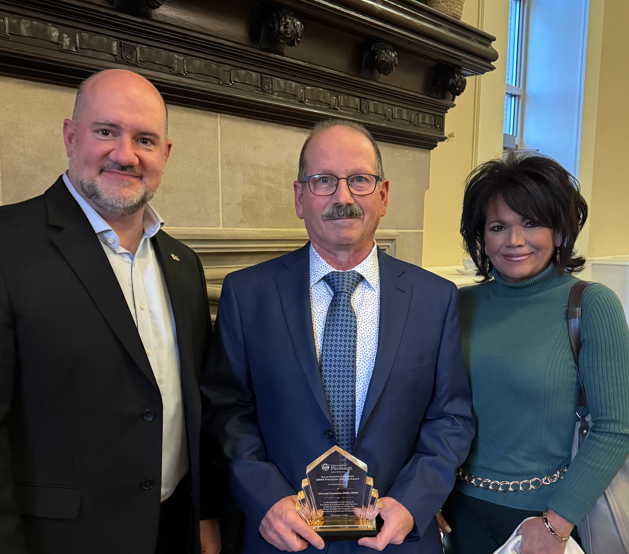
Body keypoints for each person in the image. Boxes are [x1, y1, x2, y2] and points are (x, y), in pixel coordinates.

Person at [203, 119, 475, 553]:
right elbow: (226, 412)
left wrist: (411, 502)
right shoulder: (247, 294)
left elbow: (451, 418)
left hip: (396, 537)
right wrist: (267, 499)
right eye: (323, 181)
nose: (343, 197)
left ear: (383, 195)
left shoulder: (434, 299)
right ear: (299, 197)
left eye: (359, 180)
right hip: (286, 538)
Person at [0, 69, 221, 554]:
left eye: (145, 139)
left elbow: (196, 407)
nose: (126, 154)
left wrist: (204, 514)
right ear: (70, 136)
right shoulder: (7, 244)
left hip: (172, 532)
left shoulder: (183, 264)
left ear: (165, 155)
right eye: (106, 132)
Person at [438, 153, 629, 554]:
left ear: (559, 231)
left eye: (531, 223)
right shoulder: (457, 304)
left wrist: (555, 526)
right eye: (498, 227)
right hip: (456, 512)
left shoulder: (592, 304)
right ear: (481, 237)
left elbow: (615, 428)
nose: (515, 241)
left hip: (547, 519)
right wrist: (426, 492)